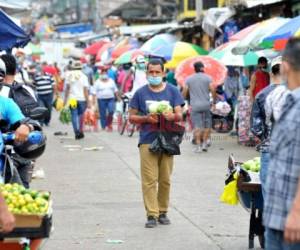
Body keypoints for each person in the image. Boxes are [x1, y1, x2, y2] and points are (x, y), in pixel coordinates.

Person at [129, 58, 184, 228]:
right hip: (147, 139)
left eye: (157, 72)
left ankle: (163, 212)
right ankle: (152, 214)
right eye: (150, 72)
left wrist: (172, 116)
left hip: (168, 139)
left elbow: (180, 114)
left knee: (165, 179)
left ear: (163, 73)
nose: (154, 75)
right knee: (149, 180)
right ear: (146, 74)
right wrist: (146, 118)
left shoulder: (173, 91)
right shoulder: (140, 93)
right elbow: (131, 117)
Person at [263, 38, 300, 249]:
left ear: (285, 66)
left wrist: (297, 212)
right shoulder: (288, 101)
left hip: (293, 222)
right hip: (277, 218)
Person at [250, 57, 284, 197]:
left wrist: (266, 138)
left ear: (271, 73)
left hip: (269, 149)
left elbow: (256, 127)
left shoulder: (262, 95)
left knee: (270, 196)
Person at [182, 62, 216, 152]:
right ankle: (205, 144)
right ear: (202, 68)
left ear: (195, 68)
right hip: (206, 104)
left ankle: (198, 146)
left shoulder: (189, 79)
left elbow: (185, 91)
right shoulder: (208, 77)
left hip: (195, 105)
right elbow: (212, 89)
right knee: (207, 125)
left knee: (197, 126)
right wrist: (214, 101)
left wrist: (184, 99)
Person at [64, 61, 89, 140]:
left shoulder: (69, 76)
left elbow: (67, 89)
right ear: (81, 68)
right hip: (82, 99)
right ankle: (81, 131)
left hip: (72, 99)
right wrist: (88, 101)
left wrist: (65, 99)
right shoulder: (84, 76)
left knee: (74, 115)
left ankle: (76, 132)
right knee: (81, 115)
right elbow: (85, 90)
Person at [92, 66, 120, 131]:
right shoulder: (97, 82)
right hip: (101, 99)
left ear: (107, 74)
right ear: (101, 74)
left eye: (105, 73)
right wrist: (93, 101)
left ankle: (109, 123)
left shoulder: (111, 81)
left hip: (111, 99)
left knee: (111, 111)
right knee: (102, 113)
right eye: (103, 73)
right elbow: (94, 92)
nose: (104, 74)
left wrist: (118, 98)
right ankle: (103, 126)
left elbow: (115, 90)